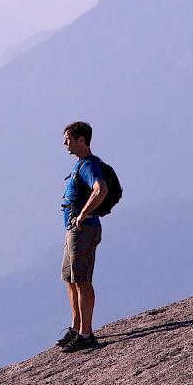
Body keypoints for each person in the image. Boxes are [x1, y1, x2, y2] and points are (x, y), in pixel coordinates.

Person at [57, 121, 107, 352]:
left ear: (81, 139)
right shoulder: (80, 165)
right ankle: (77, 327)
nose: (65, 142)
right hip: (74, 231)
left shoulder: (89, 165)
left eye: (68, 138)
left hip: (83, 231)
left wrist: (83, 214)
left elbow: (101, 189)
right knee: (70, 278)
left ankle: (86, 334)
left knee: (83, 281)